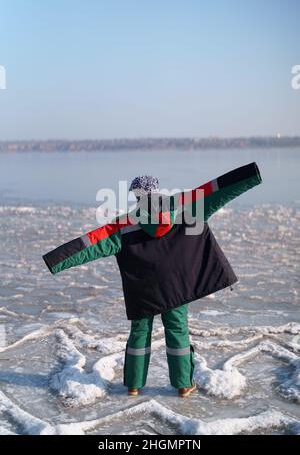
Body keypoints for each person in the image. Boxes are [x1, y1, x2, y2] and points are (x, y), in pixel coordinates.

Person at [43, 163, 262, 397]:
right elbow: (216, 190)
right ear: (157, 190)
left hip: (143, 289)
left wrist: (57, 259)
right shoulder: (185, 205)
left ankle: (134, 385)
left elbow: (90, 244)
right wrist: (247, 176)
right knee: (177, 330)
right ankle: (183, 385)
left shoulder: (124, 223)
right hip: (176, 287)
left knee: (140, 332)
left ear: (136, 196)